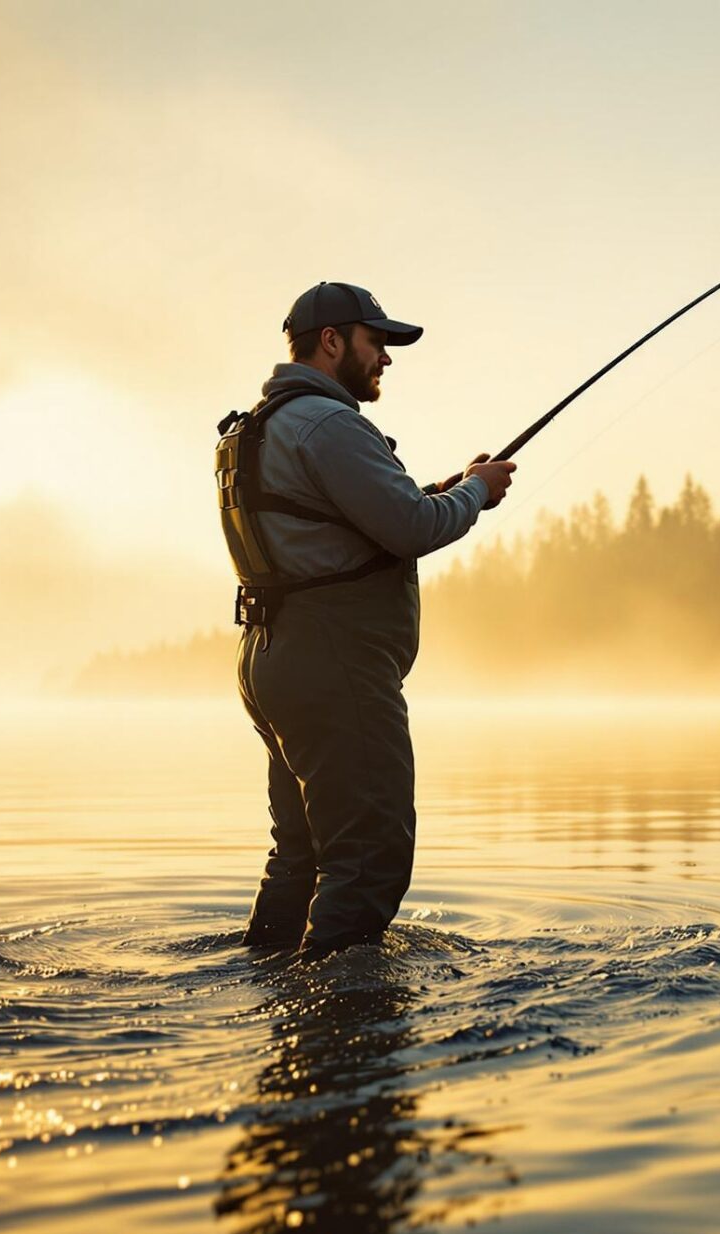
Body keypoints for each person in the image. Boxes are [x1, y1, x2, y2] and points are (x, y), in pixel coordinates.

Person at [217, 281, 515, 956]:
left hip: (273, 659)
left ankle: (268, 985)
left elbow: (350, 523)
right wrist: (476, 493)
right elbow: (409, 527)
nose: (385, 358)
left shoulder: (262, 426)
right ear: (332, 341)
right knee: (370, 853)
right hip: (334, 665)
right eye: (376, 342)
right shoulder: (329, 423)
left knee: (303, 852)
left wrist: (449, 487)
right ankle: (340, 1023)